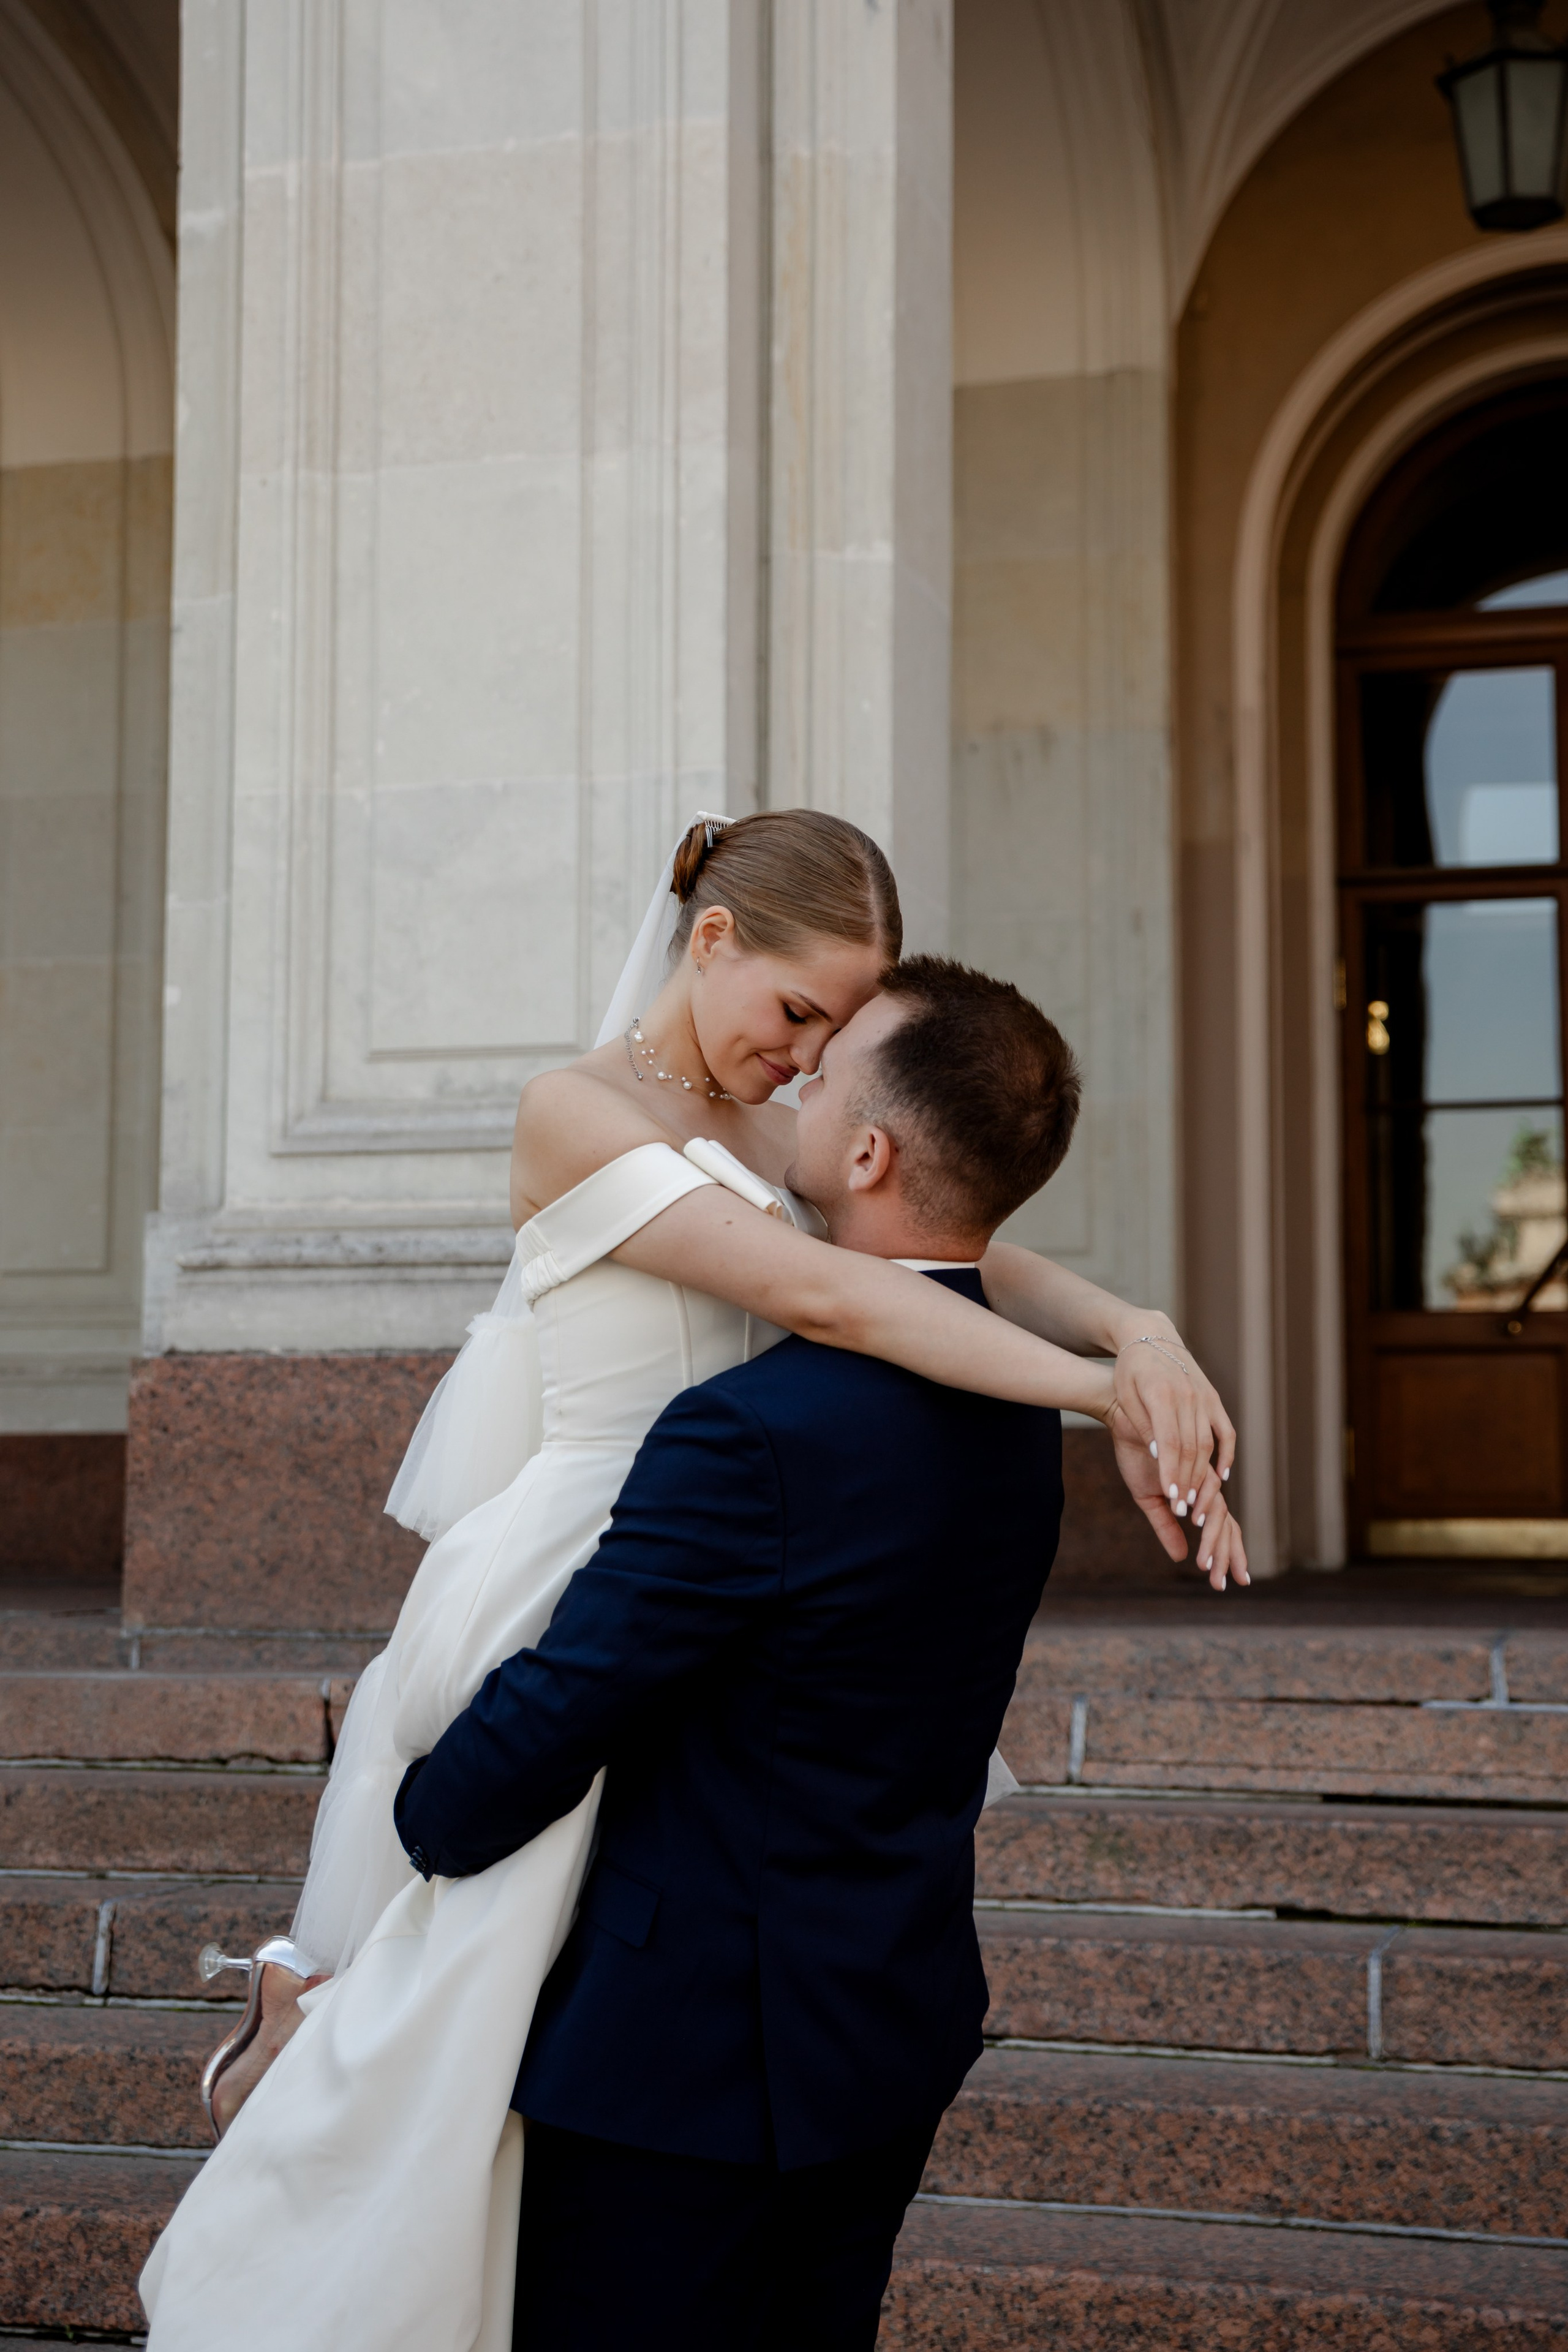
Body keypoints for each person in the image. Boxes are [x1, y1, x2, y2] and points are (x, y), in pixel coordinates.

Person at [140, 810, 1244, 2352]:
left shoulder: (770, 1126)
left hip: (722, 1557)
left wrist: (1137, 1333)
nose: (805, 1060)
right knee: (464, 1991)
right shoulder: (575, 1109)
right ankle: (304, 2032)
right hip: (585, 1557)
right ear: (711, 940)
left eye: (835, 1038)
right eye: (797, 1015)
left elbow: (954, 1264)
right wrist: (1089, 1397)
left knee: (569, 1995)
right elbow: (829, 1292)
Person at [392, 959, 1145, 2346]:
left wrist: (421, 1810)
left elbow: (577, 1693)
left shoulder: (751, 1431)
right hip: (887, 2017)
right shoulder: (1011, 1420)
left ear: (867, 1151)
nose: (793, 1079)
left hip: (682, 2066)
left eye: (828, 1069)